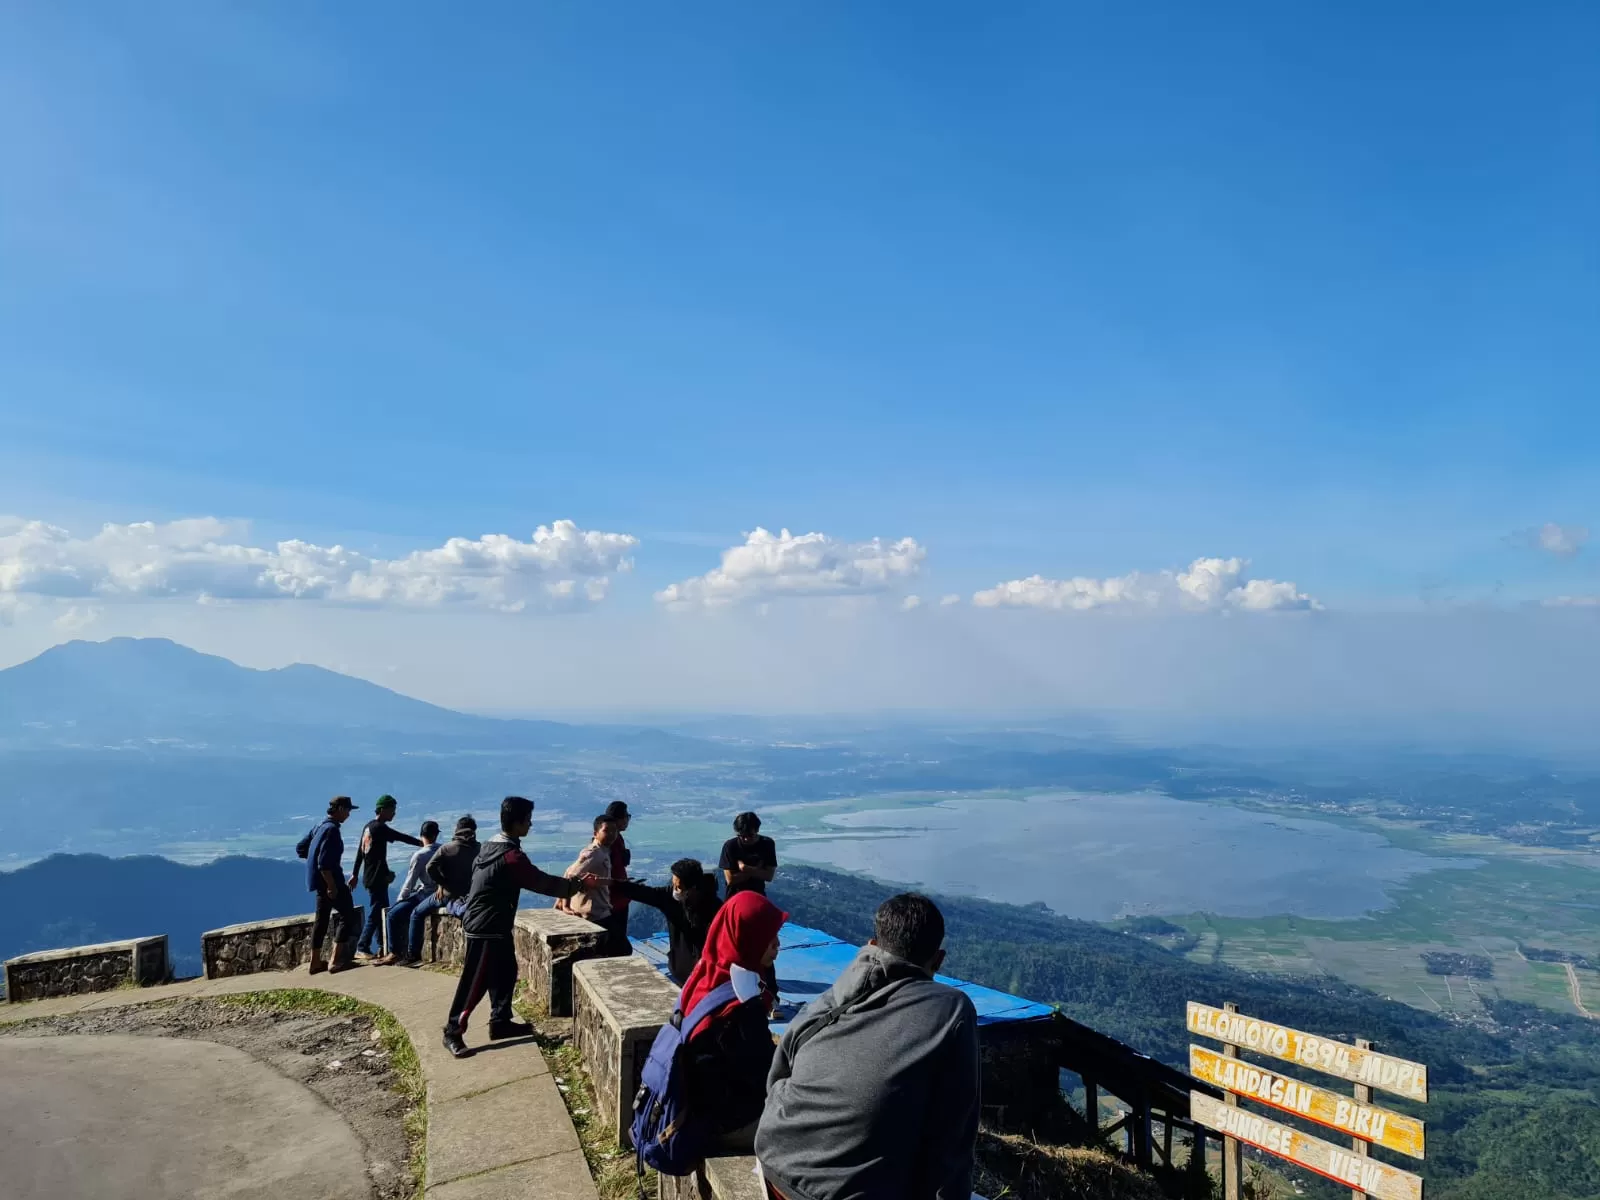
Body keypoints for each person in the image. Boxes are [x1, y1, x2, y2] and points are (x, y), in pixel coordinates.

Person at [756, 893, 980, 1200]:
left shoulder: (834, 996)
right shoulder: (952, 1010)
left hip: (774, 1164)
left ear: (872, 945)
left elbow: (778, 1075)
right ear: (938, 960)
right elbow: (952, 1139)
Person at [442, 796, 600, 1060]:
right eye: (527, 820)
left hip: (491, 922)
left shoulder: (490, 845)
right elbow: (540, 882)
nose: (530, 824)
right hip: (487, 925)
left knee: (506, 971)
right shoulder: (511, 857)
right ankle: (452, 1031)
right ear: (517, 824)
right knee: (476, 980)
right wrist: (575, 886)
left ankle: (500, 1022)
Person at [678, 890, 786, 1156]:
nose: (777, 944)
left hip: (700, 1109)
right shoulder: (740, 1003)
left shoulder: (705, 976)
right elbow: (765, 1073)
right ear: (746, 938)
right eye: (766, 936)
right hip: (727, 1123)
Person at [613, 858, 722, 983]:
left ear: (693, 888)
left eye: (679, 887)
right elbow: (644, 893)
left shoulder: (714, 907)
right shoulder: (669, 897)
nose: (675, 890)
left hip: (707, 973)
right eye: (673, 884)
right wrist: (612, 884)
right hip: (681, 971)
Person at [349, 795, 424, 960]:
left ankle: (383, 945)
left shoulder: (368, 827)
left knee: (382, 910)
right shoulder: (379, 828)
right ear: (383, 810)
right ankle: (362, 946)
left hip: (370, 876)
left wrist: (355, 873)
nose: (394, 814)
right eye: (392, 810)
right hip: (377, 878)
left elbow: (360, 852)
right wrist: (421, 844)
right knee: (377, 911)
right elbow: (400, 837)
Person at [304, 796, 361, 975]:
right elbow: (324, 864)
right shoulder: (332, 831)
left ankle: (314, 962)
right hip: (331, 881)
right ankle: (335, 961)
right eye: (348, 810)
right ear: (341, 809)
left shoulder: (319, 826)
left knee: (321, 921)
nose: (349, 815)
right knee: (347, 915)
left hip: (318, 883)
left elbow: (301, 848)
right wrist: (331, 885)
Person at [377, 819, 440, 966]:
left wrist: (400, 899)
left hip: (426, 894)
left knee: (392, 914)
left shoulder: (420, 855)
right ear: (436, 835)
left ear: (421, 835)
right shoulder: (443, 849)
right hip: (441, 892)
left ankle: (395, 953)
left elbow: (410, 882)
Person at [557, 816, 615, 926]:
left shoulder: (603, 851)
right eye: (607, 830)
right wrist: (565, 905)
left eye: (614, 830)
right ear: (595, 833)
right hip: (594, 915)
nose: (612, 834)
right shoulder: (594, 853)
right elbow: (570, 874)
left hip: (598, 912)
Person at [425, 815, 480, 918]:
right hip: (470, 894)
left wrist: (442, 883)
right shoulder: (480, 848)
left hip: (448, 894)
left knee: (416, 913)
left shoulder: (446, 848)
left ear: (457, 829)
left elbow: (429, 867)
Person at [720, 811, 777, 899]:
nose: (746, 839)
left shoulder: (767, 844)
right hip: (734, 898)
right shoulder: (730, 846)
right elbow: (730, 880)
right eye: (742, 836)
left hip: (757, 896)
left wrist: (745, 869)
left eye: (750, 835)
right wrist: (756, 870)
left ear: (757, 830)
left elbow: (769, 876)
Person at [602, 800, 634, 957]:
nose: (628, 820)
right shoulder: (610, 841)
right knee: (619, 946)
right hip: (614, 900)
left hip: (617, 897)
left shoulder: (615, 839)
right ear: (619, 819)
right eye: (627, 816)